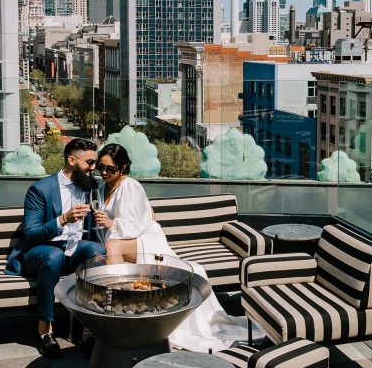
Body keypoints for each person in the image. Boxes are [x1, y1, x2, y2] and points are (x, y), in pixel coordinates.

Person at [93, 143, 256, 352]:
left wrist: (111, 224)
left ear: (123, 167)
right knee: (111, 250)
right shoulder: (101, 187)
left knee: (113, 247)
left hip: (143, 236)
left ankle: (116, 310)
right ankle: (130, 312)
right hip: (125, 238)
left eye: (110, 169)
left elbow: (136, 224)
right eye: (101, 167)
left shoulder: (130, 186)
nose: (104, 172)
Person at [6, 137, 107, 358]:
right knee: (53, 255)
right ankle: (45, 330)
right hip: (41, 251)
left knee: (97, 251)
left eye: (95, 163)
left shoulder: (91, 185)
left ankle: (87, 326)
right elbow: (31, 235)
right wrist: (63, 219)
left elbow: (121, 188)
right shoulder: (40, 189)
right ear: (72, 160)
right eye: (90, 163)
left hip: (73, 250)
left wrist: (146, 210)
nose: (94, 168)